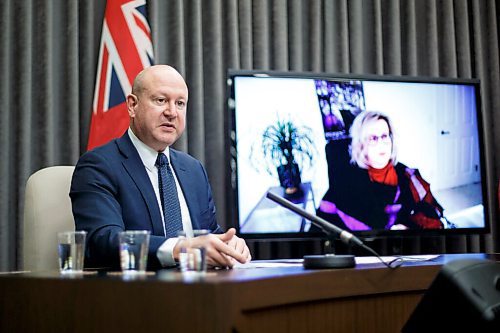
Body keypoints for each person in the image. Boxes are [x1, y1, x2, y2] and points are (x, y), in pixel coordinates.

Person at [70, 65, 251, 269]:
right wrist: (181, 249)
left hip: (201, 291)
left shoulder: (193, 170)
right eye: (161, 100)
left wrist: (228, 245)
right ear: (132, 105)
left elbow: (207, 235)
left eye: (180, 103)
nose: (172, 112)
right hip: (139, 294)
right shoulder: (98, 166)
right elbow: (102, 241)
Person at [316, 111, 444, 231]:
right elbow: (324, 227)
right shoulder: (345, 182)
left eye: (384, 136)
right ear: (361, 145)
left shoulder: (408, 176)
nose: (381, 143)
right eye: (373, 138)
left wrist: (408, 227)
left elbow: (434, 212)